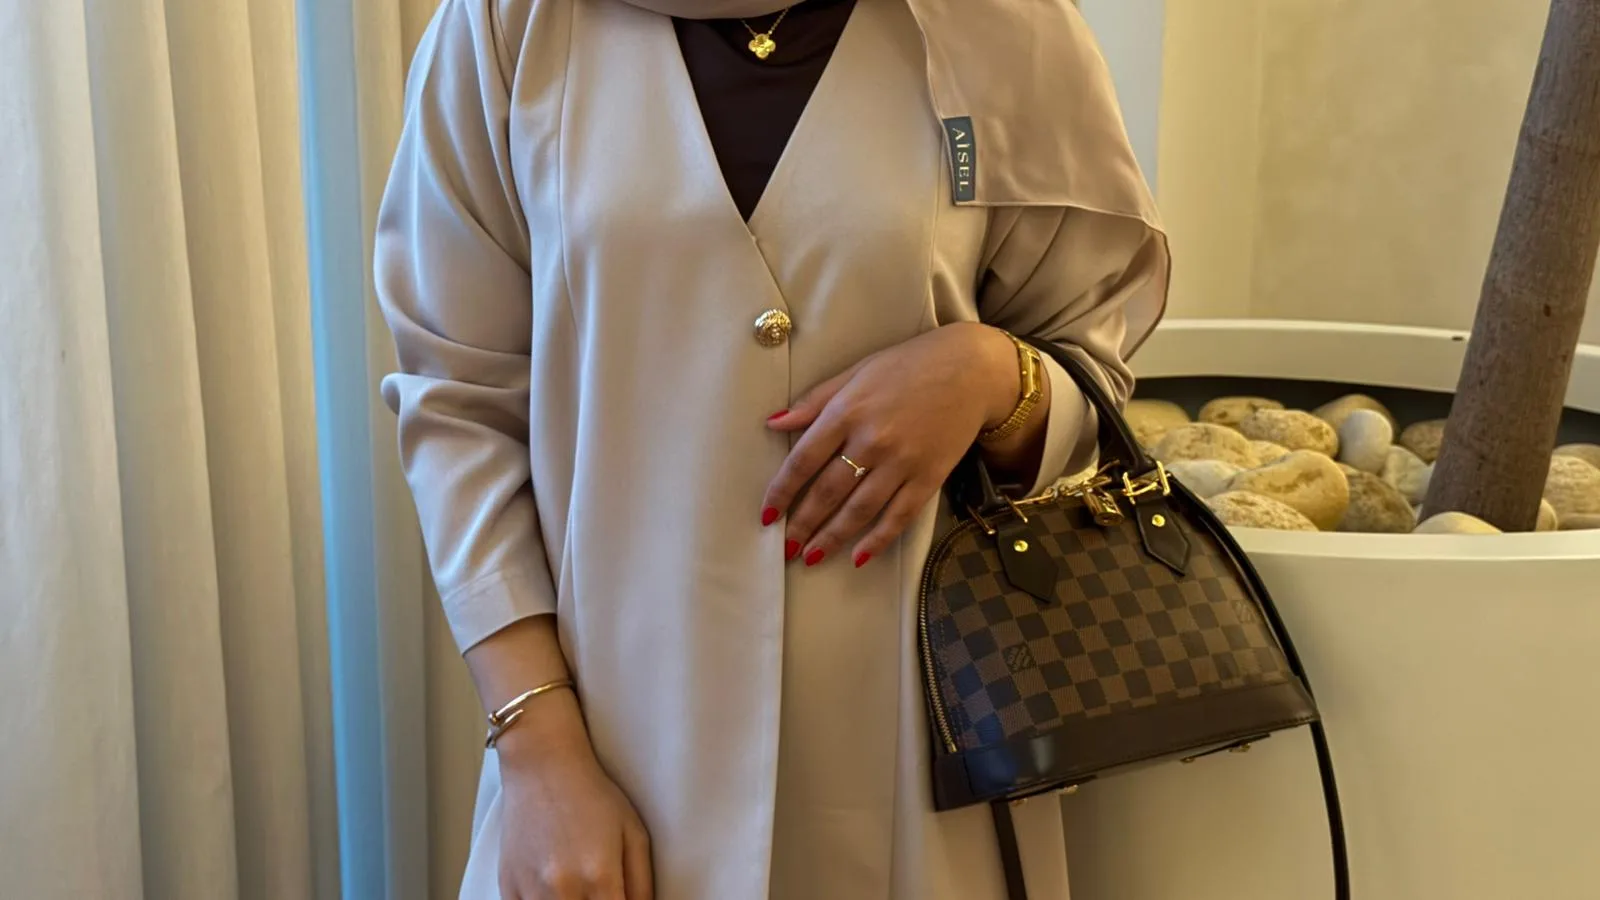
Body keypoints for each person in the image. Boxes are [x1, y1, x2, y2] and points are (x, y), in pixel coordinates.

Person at [374, 0, 1168, 897]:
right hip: (612, 750)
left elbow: (1088, 369)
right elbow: (460, 405)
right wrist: (539, 748)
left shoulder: (1005, 25)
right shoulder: (506, 24)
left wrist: (989, 373)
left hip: (920, 759)